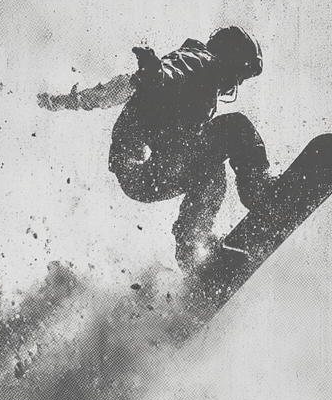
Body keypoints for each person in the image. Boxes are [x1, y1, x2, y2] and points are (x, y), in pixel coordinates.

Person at [38, 26, 273, 270]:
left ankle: (192, 250)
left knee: (211, 173)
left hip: (139, 176)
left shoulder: (193, 71)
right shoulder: (201, 62)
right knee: (236, 127)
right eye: (239, 76)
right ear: (231, 59)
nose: (235, 85)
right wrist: (155, 73)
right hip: (148, 167)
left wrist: (66, 101)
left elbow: (115, 90)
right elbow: (170, 75)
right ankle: (258, 189)